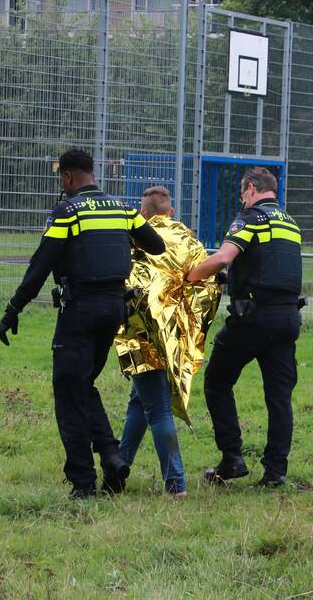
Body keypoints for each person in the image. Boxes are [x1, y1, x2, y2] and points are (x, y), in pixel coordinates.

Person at [0, 149, 166, 499]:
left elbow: (40, 266)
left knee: (68, 392)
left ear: (68, 176)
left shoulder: (67, 211)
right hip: (114, 309)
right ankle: (111, 455)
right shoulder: (122, 210)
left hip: (80, 310)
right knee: (82, 384)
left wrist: (14, 308)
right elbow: (156, 245)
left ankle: (83, 482)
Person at [185, 166, 303, 488]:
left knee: (217, 381)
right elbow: (266, 268)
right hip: (287, 318)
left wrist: (189, 277)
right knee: (279, 398)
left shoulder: (251, 217)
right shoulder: (289, 222)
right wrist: (230, 279)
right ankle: (275, 472)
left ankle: (232, 458)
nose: (242, 200)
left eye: (242, 194)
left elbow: (223, 257)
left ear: (251, 188)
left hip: (254, 318)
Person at [115, 186, 221, 497]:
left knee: (158, 408)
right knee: (140, 403)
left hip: (141, 332)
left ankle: (176, 484)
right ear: (171, 212)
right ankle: (118, 469)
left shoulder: (134, 236)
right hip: (174, 333)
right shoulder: (187, 238)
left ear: (142, 213)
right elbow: (208, 280)